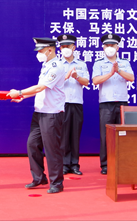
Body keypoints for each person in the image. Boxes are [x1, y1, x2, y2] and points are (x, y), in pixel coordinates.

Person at [9, 37, 67, 194]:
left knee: (52, 149)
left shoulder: (56, 66)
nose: (38, 54)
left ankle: (57, 182)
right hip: (40, 111)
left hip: (52, 113)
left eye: (40, 51)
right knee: (32, 144)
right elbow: (40, 89)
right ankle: (39, 177)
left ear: (50, 50)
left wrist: (20, 92)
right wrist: (23, 97)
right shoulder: (46, 65)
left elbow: (40, 87)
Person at [92, 33, 134, 175]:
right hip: (106, 103)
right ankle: (105, 164)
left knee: (123, 133)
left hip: (122, 102)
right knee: (106, 135)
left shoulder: (125, 63)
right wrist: (110, 74)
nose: (110, 48)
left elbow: (132, 78)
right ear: (103, 47)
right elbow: (95, 81)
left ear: (118, 47)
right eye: (107, 45)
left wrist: (119, 71)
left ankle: (122, 162)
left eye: (113, 45)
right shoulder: (99, 63)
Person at [56, 34, 89, 176]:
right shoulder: (57, 64)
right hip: (61, 104)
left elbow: (87, 82)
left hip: (76, 103)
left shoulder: (81, 64)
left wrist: (77, 77)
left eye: (68, 46)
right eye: (62, 47)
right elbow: (52, 83)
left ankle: (74, 164)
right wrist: (65, 76)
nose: (65, 49)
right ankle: (64, 164)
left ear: (73, 47)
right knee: (63, 135)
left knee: (75, 134)